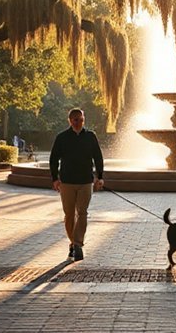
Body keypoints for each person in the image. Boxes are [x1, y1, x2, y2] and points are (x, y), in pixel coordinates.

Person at [49, 108, 104, 261]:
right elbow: (53, 159)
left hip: (85, 181)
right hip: (67, 182)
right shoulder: (62, 138)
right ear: (70, 121)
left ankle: (78, 243)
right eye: (76, 120)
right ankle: (72, 242)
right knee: (69, 215)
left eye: (81, 119)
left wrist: (100, 176)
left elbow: (98, 157)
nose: (79, 122)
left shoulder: (90, 136)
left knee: (82, 212)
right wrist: (55, 179)